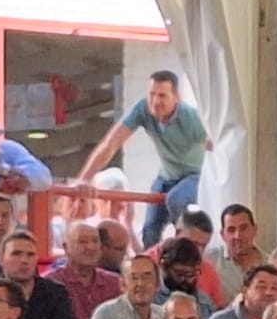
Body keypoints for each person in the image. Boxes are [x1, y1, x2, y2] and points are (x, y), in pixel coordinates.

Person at [79, 71, 209, 248]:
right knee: (149, 229)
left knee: (176, 199)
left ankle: (185, 251)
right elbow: (111, 143)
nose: (156, 102)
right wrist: (85, 178)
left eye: (162, 95)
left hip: (193, 175)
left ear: (176, 98)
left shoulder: (191, 118)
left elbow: (215, 143)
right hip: (166, 175)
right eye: (152, 94)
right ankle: (152, 267)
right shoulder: (143, 109)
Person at [0, 231, 76, 319]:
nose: (24, 260)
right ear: (1, 258)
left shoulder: (56, 292)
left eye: (30, 255)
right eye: (16, 254)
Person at [49, 219, 122, 319]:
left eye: (95, 241)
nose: (91, 247)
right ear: (66, 247)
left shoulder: (115, 282)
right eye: (82, 241)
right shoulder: (50, 283)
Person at [206, 204, 266, 299]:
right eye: (231, 230)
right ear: (222, 235)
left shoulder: (270, 263)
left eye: (243, 228)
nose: (238, 236)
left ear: (255, 230)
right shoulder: (209, 261)